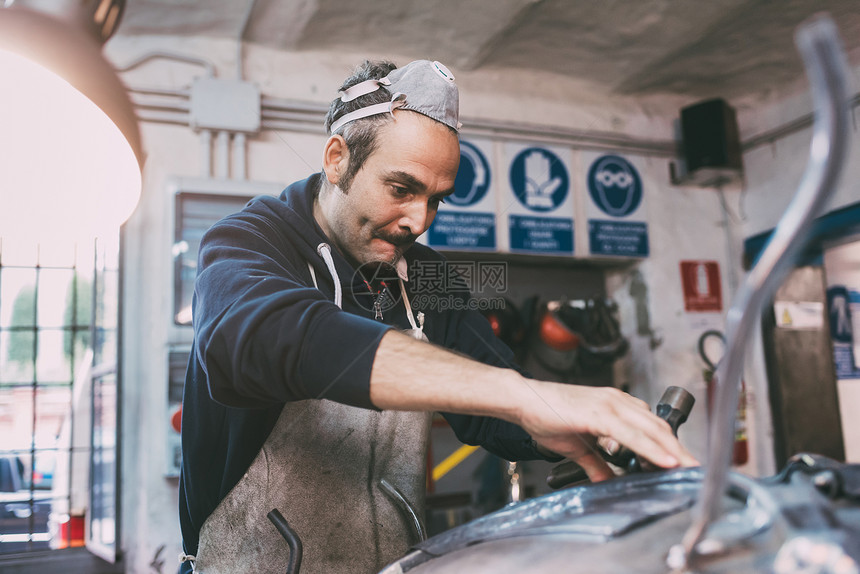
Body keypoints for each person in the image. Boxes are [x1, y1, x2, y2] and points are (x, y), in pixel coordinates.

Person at [178, 59, 696, 574]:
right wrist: (521, 396)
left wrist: (575, 426)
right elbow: (271, 338)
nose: (418, 221)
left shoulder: (425, 276)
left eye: (436, 200)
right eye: (401, 190)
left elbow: (492, 400)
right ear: (337, 159)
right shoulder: (250, 241)